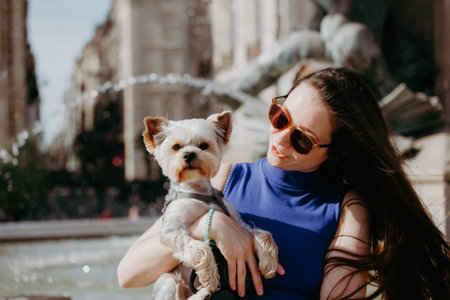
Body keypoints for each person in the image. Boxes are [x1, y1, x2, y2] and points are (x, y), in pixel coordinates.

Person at [117, 68, 450, 299]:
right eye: (280, 117)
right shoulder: (223, 177)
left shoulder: (347, 209)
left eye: (302, 140)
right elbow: (129, 274)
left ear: (335, 152)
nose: (279, 140)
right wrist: (211, 223)